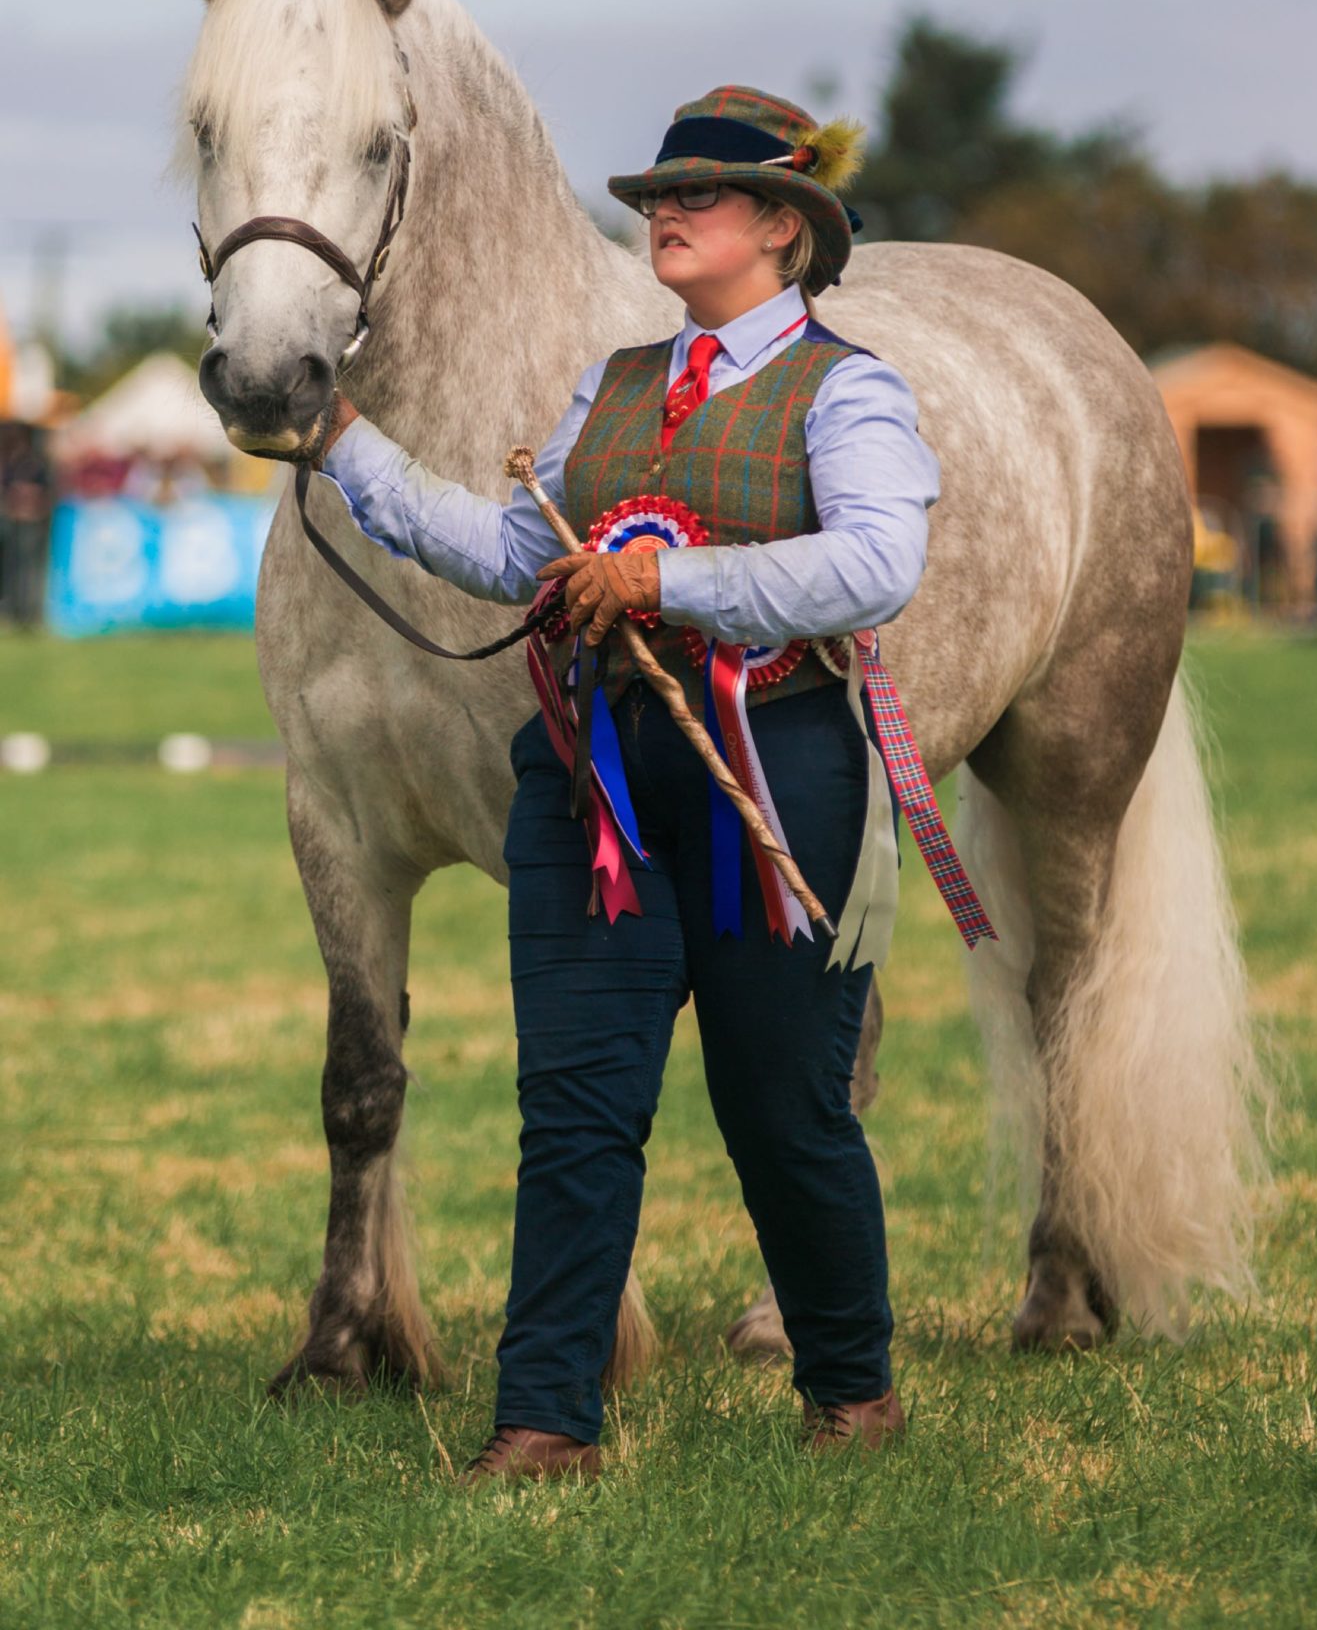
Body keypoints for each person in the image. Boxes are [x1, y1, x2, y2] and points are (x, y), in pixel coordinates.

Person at [315, 86, 940, 1482]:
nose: (660, 213)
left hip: (778, 771)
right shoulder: (611, 384)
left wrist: (669, 577)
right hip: (589, 780)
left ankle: (852, 1387)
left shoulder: (851, 391)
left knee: (784, 1109)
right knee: (577, 1102)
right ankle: (546, 1421)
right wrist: (345, 447)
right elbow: (522, 555)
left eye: (694, 197)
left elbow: (873, 566)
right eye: (654, 196)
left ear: (781, 227)